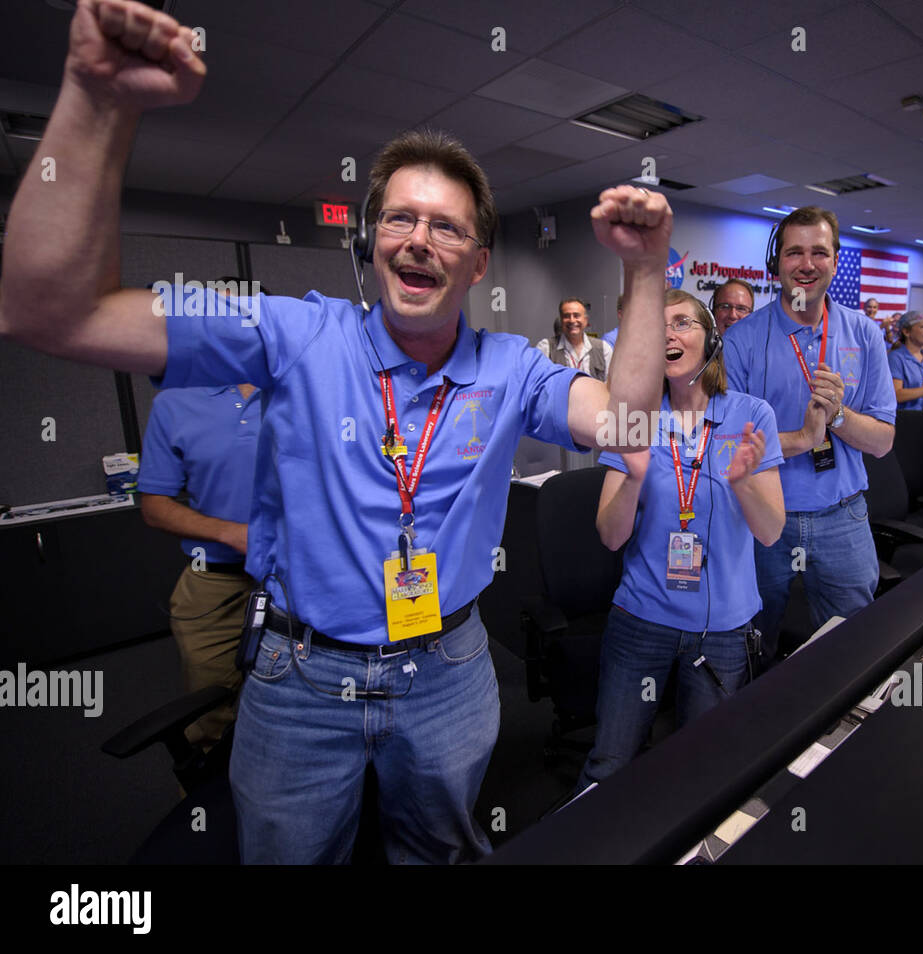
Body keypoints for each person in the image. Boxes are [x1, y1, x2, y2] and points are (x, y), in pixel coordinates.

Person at [0, 0, 673, 865]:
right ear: (370, 242)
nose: (418, 240)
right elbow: (53, 311)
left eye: (447, 227)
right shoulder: (292, 333)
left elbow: (626, 426)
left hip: (449, 671)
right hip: (299, 678)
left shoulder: (512, 369)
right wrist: (95, 100)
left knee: (434, 855)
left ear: (476, 262)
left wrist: (646, 269)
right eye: (399, 218)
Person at [575, 289, 784, 789]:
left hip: (724, 631)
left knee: (704, 770)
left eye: (683, 323)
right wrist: (630, 478)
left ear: (711, 338)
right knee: (611, 763)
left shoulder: (752, 416)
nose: (668, 334)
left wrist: (742, 482)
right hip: (642, 620)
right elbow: (609, 536)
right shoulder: (634, 419)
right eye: (656, 326)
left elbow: (772, 532)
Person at [722, 206, 896, 669]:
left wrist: (838, 417)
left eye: (819, 252)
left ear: (835, 261)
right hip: (763, 520)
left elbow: (881, 443)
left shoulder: (865, 334)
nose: (806, 264)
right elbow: (729, 448)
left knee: (852, 649)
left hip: (843, 517)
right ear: (776, 262)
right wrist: (802, 437)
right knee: (751, 646)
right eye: (794, 252)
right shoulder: (741, 340)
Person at [138, 370, 261, 753]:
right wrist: (230, 533)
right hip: (216, 582)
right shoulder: (174, 403)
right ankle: (203, 811)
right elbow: (155, 507)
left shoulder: (302, 389)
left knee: (310, 708)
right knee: (209, 718)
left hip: (294, 577)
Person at [537, 297, 613, 380]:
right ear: (561, 320)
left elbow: (610, 385)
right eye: (566, 316)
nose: (572, 320)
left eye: (576, 316)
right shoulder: (546, 348)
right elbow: (537, 382)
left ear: (586, 320)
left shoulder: (603, 349)